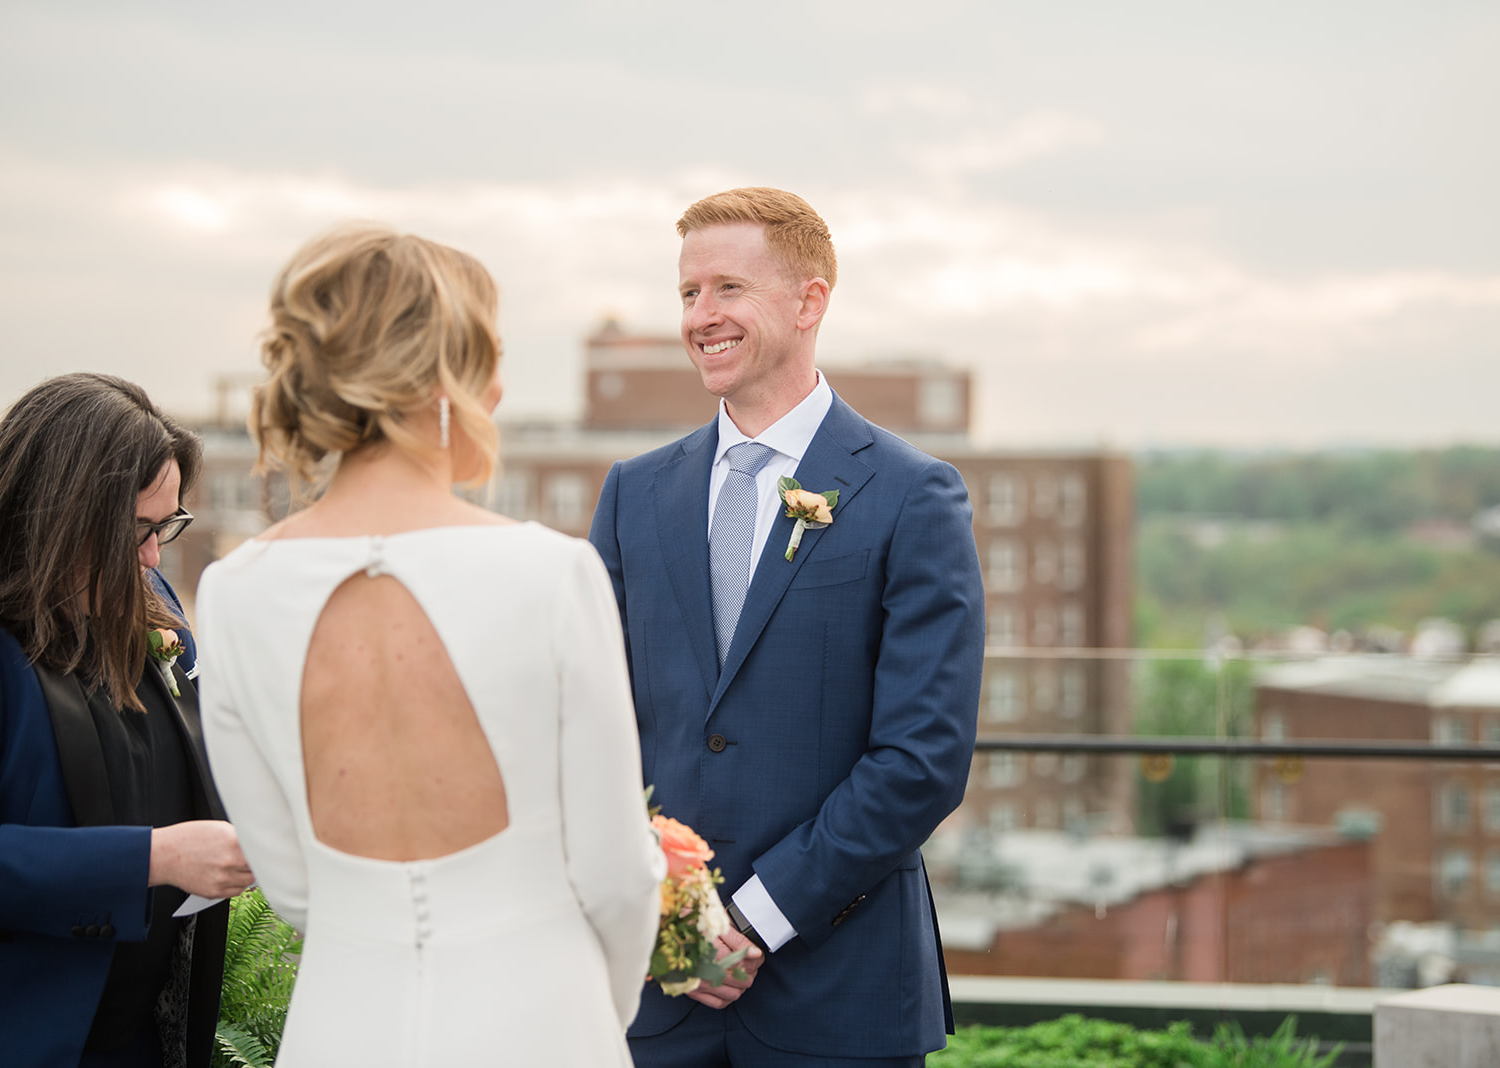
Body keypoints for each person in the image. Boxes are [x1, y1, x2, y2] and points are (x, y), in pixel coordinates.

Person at [195, 223, 663, 1066]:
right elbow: (619, 875)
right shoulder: (551, 573)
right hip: (540, 1019)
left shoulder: (233, 592)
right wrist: (600, 1013)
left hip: (342, 1023)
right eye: (490, 356)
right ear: (445, 378)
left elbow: (292, 882)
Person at [589, 187, 986, 1066]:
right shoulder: (633, 494)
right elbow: (590, 724)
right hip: (654, 1000)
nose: (702, 316)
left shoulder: (914, 495)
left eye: (729, 288)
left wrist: (752, 920)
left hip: (840, 998)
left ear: (810, 301)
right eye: (689, 294)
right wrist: (673, 921)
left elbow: (922, 760)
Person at [0, 372, 253, 1068]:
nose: (153, 556)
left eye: (167, 526)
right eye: (138, 530)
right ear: (56, 513)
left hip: (151, 1037)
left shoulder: (152, 600)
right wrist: (155, 859)